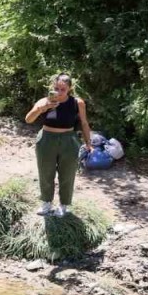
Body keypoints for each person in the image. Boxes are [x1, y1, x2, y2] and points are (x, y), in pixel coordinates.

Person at [22, 73, 94, 216]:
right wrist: (41, 109)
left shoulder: (77, 103)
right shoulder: (44, 101)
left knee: (67, 174)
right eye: (56, 88)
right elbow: (28, 119)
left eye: (63, 89)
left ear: (69, 88)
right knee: (45, 172)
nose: (59, 92)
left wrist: (88, 143)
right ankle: (46, 203)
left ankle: (64, 205)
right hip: (46, 139)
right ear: (52, 87)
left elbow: (84, 123)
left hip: (69, 140)